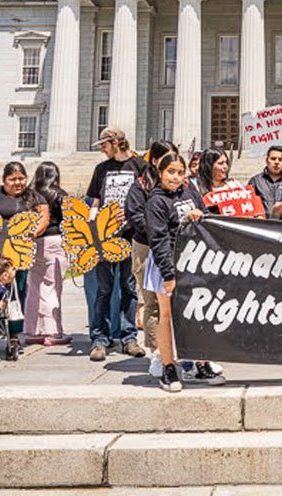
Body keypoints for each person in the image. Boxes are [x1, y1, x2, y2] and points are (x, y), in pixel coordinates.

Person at [143, 150, 224, 391]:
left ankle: (200, 362)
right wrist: (168, 274)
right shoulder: (156, 201)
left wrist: (200, 215)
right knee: (166, 315)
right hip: (166, 263)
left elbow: (207, 218)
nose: (176, 177)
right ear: (160, 173)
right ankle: (168, 367)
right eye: (170, 172)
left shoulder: (190, 192)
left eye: (180, 172)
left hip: (192, 262)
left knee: (196, 313)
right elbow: (158, 240)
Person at [0, 161, 49, 346]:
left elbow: (44, 216)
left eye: (21, 178)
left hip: (16, 253)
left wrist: (34, 233)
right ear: (4, 180)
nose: (18, 183)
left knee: (16, 292)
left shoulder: (33, 196)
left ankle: (13, 334)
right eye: (12, 179)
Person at [84, 127, 146, 362]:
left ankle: (129, 338)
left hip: (130, 235)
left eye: (104, 145)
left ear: (116, 143)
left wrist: (132, 217)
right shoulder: (101, 169)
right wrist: (92, 225)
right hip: (104, 237)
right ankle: (99, 339)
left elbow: (147, 198)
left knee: (129, 287)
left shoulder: (139, 166)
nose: (101, 149)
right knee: (103, 288)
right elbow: (95, 201)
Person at [129, 140, 176, 378]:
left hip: (172, 250)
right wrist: (158, 228)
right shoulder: (141, 185)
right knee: (152, 303)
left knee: (173, 305)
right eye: (167, 158)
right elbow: (135, 214)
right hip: (147, 247)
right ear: (156, 161)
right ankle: (157, 353)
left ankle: (175, 353)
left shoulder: (180, 187)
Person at [24, 162, 71, 346]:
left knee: (34, 288)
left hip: (33, 242)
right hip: (55, 240)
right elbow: (69, 219)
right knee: (53, 287)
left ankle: (34, 331)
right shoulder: (59, 194)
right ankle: (53, 331)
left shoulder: (30, 194)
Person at [248, 146, 282, 217]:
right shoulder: (256, 181)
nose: (276, 162)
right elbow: (249, 205)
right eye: (273, 159)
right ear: (267, 160)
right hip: (262, 225)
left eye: (280, 159)